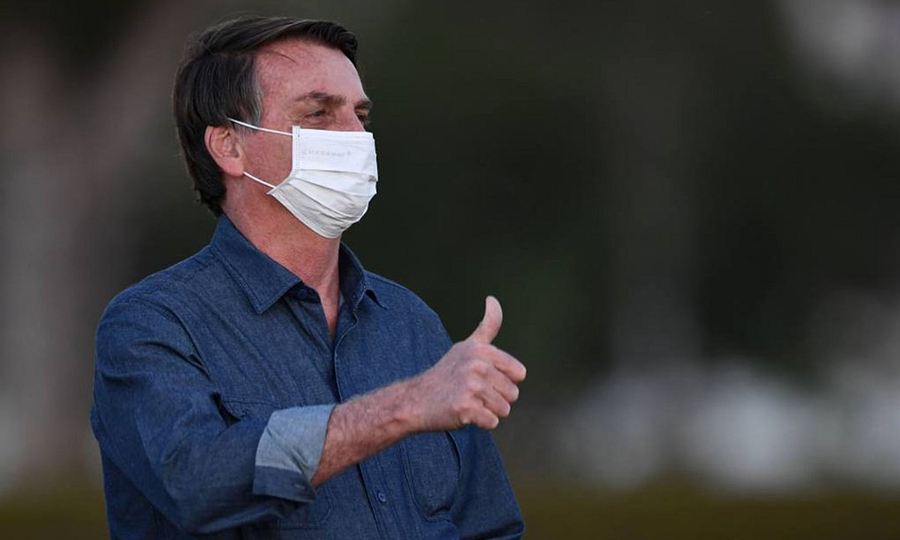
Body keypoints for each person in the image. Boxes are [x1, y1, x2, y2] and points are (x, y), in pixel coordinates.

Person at [90, 15, 527, 540]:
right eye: (319, 113)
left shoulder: (411, 324)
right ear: (229, 146)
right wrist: (406, 406)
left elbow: (490, 528)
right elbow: (196, 482)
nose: (357, 137)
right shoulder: (153, 325)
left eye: (360, 115)